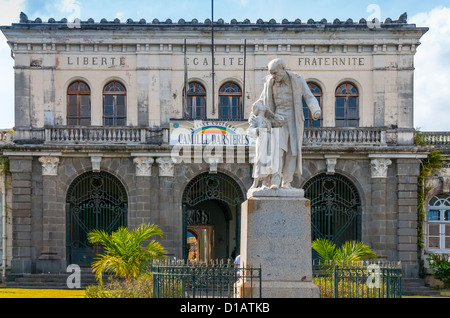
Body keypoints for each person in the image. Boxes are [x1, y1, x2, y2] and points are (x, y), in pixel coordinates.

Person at [254, 58, 321, 189]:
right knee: (277, 150)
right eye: (271, 73)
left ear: (283, 69)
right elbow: (262, 100)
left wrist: (315, 109)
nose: (274, 76)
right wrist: (257, 108)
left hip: (294, 118)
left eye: (275, 73)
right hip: (277, 119)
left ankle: (287, 182)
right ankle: (275, 180)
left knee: (292, 151)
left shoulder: (297, 79)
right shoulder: (269, 83)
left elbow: (309, 96)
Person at [247, 101, 284, 190]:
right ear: (256, 108)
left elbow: (281, 121)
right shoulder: (255, 118)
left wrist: (271, 113)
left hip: (270, 140)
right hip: (261, 140)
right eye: (261, 104)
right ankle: (255, 183)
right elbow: (249, 130)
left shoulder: (269, 119)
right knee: (260, 160)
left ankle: (265, 183)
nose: (264, 104)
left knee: (268, 161)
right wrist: (257, 130)